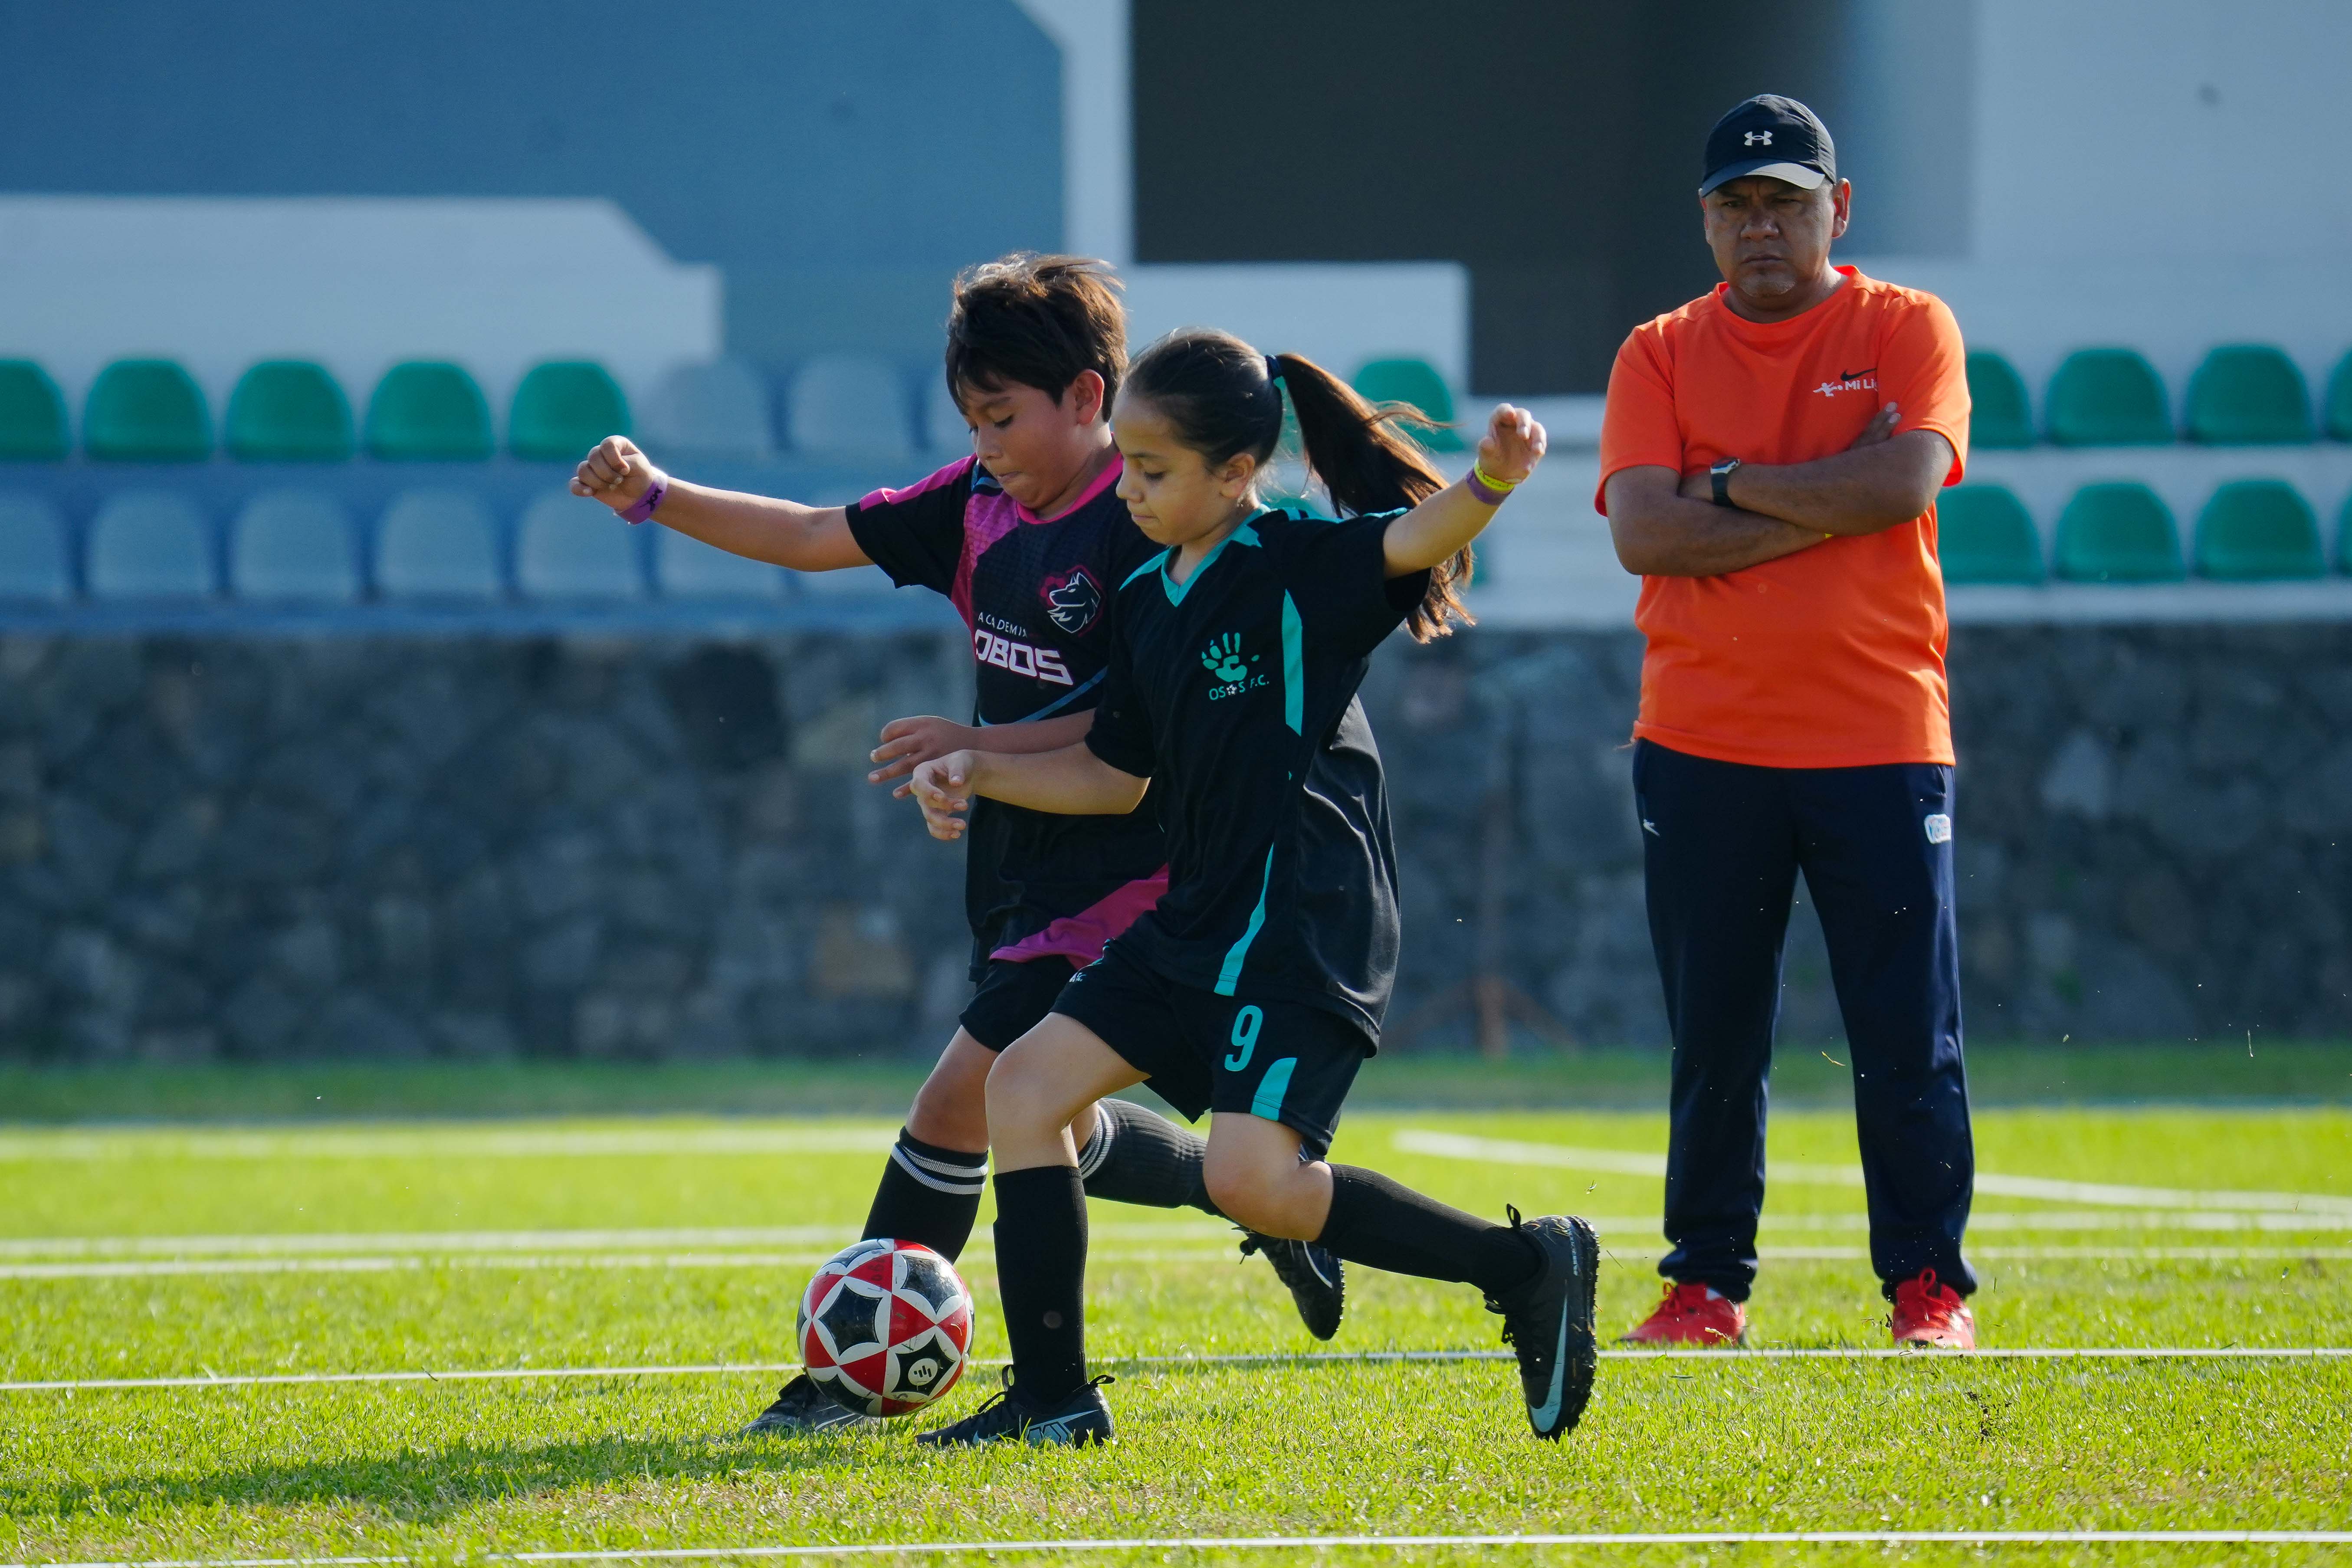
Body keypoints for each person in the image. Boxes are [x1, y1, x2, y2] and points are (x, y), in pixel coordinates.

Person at [570, 256, 1346, 1434]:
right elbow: (817, 533)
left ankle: (851, 1383)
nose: (985, 444)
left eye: (1003, 418)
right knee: (1071, 1125)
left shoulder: (1146, 523)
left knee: (958, 1104)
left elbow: (1146, 725)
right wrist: (655, 497)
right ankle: (1258, 1210)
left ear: (1088, 398)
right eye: (971, 421)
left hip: (1137, 871)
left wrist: (979, 743)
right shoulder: (979, 509)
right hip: (1029, 872)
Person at [905, 329, 1599, 1447]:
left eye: (1154, 469)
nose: (1128, 488)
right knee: (1026, 1089)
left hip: (1300, 927)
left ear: (1236, 473)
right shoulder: (1144, 591)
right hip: (1196, 919)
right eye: (1124, 463)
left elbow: (1418, 536)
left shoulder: (1292, 566)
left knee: (1254, 1182)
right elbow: (1117, 778)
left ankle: (1523, 1267)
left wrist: (1494, 482)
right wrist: (980, 767)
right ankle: (1052, 1399)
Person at [1597, 95, 1978, 1350]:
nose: (1762, 226)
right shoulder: (1658, 350)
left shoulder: (1908, 325)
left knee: (1904, 1033)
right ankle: (1706, 1286)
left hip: (1880, 736)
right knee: (1717, 1036)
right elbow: (1645, 532)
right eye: (1737, 205)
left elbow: (1906, 479)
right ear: (1706, 221)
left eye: (1786, 201)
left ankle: (1929, 1288)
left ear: (1839, 209)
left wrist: (1727, 485)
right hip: (1704, 741)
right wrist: (1829, 495)